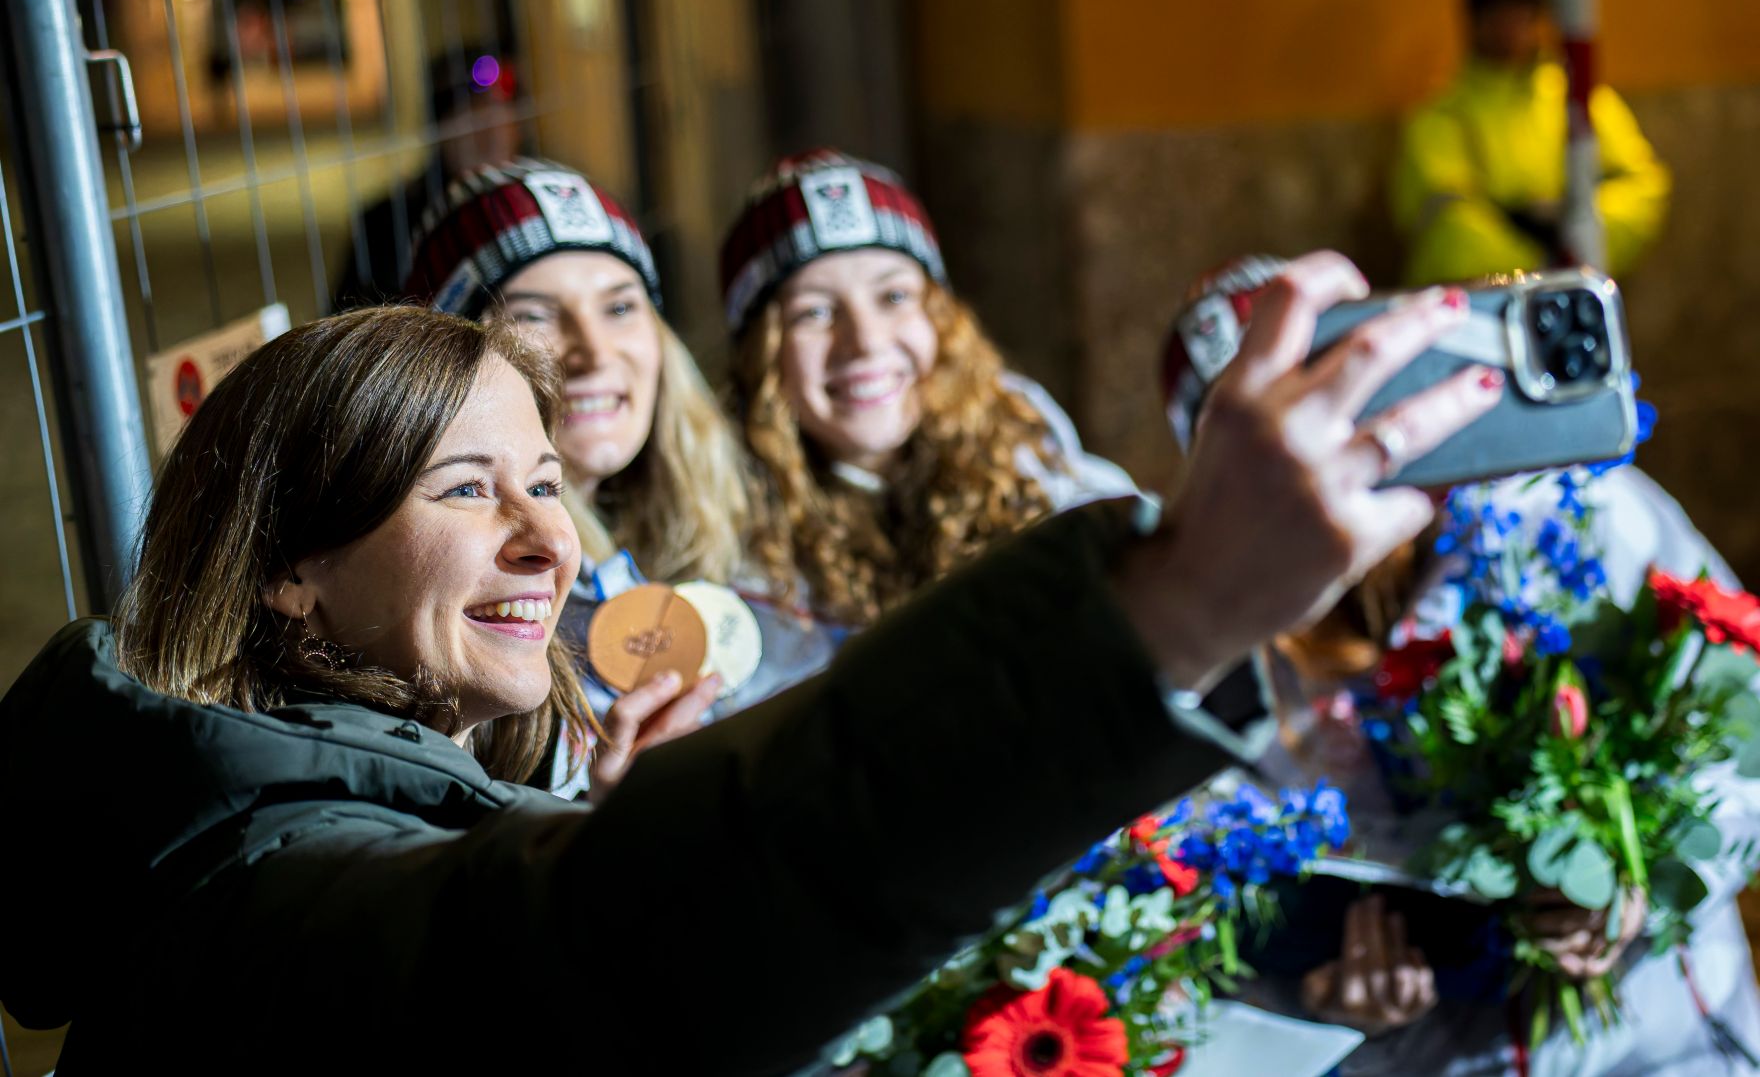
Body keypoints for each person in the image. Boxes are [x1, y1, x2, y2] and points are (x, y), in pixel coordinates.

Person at [0, 252, 1502, 1070]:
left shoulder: (315, 813)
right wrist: (1167, 606)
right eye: (466, 490)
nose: (549, 544)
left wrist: (596, 832)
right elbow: (600, 959)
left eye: (547, 486)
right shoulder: (262, 899)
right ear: (289, 576)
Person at [1161, 256, 1760, 1074]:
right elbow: (1216, 909)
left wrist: (1646, 879)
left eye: (1318, 398)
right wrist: (1321, 1001)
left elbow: (1742, 727)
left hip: (1662, 1044)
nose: (1303, 462)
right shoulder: (1212, 650)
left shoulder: (1572, 522)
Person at [399, 158, 838, 787]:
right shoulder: (466, 593)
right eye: (534, 316)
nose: (596, 353)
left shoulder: (742, 502)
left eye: (620, 307)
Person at [722, 148, 1137, 628]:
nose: (866, 342)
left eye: (894, 296)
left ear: (939, 317)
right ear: (761, 356)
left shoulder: (1032, 460)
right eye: (814, 312)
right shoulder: (738, 553)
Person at [1391, 0, 1670, 287]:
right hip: (1478, 306)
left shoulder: (1579, 99)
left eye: (1520, 11)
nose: (1510, 26)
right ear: (1474, 21)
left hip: (1572, 291)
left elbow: (1642, 187)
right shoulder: (1442, 118)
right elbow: (1448, 227)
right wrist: (1538, 269)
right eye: (1497, 12)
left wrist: (1579, 241)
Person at [331, 45, 527, 311]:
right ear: (441, 131)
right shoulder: (387, 224)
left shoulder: (539, 204)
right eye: (474, 119)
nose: (492, 135)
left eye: (502, 116)